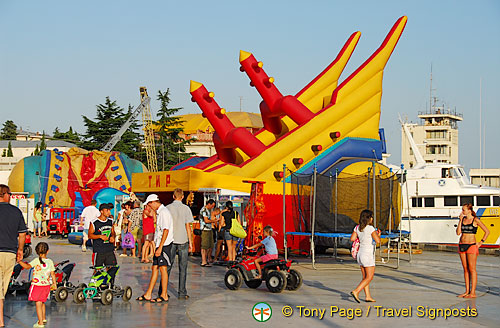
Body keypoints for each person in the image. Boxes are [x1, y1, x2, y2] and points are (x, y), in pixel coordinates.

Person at [136, 194, 173, 303]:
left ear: (153, 202)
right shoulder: (160, 213)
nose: (149, 207)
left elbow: (166, 230)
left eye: (149, 204)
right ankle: (148, 293)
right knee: (155, 268)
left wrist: (160, 247)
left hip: (164, 245)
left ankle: (164, 294)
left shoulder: (164, 213)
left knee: (163, 269)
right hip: (159, 244)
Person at [0, 184, 27, 328]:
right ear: (4, 194)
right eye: (10, 194)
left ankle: (1, 320)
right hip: (9, 253)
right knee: (3, 288)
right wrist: (20, 250)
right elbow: (22, 233)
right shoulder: (16, 212)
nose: (10, 197)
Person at [17, 242, 56, 328]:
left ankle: (40, 323)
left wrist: (19, 262)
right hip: (46, 285)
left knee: (38, 303)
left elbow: (27, 267)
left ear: (36, 251)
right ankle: (44, 318)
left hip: (37, 285)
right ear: (47, 251)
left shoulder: (36, 260)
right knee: (42, 302)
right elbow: (53, 274)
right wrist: (54, 284)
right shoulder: (50, 261)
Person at [164, 188, 194, 299]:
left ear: (173, 196)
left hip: (171, 240)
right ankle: (182, 292)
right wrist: (191, 242)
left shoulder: (167, 208)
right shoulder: (186, 209)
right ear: (182, 197)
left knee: (167, 266)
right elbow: (188, 226)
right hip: (183, 240)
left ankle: (163, 291)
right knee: (183, 267)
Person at [456, 203, 490, 298]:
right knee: (465, 269)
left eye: (464, 210)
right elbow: (458, 233)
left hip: (472, 245)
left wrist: (481, 242)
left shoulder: (475, 220)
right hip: (462, 245)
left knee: (472, 269)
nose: (462, 211)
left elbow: (487, 231)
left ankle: (473, 292)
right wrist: (460, 220)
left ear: (469, 210)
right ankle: (467, 291)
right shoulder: (463, 220)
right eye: (462, 210)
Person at [350, 209, 381, 303]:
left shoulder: (358, 227)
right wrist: (378, 234)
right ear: (369, 218)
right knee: (369, 277)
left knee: (364, 277)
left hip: (360, 254)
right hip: (367, 255)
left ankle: (368, 296)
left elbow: (352, 238)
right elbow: (378, 241)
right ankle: (356, 291)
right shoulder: (370, 228)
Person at [88, 203, 117, 271]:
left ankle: (110, 282)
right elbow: (90, 235)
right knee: (98, 270)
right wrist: (100, 236)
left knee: (112, 269)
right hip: (99, 250)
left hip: (109, 249)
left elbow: (113, 232)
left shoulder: (110, 221)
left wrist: (113, 237)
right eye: (107, 210)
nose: (109, 212)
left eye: (109, 210)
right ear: (101, 211)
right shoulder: (94, 222)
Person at [199, 200, 217, 266]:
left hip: (209, 229)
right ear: (209, 204)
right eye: (212, 206)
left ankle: (207, 259)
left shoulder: (208, 210)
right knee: (204, 246)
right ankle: (203, 261)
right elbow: (206, 220)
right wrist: (214, 220)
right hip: (205, 229)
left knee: (210, 246)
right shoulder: (204, 210)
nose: (212, 207)